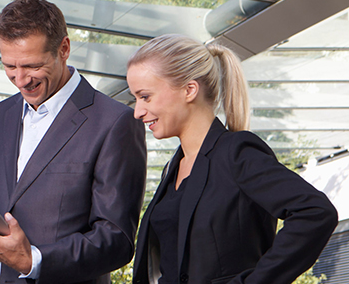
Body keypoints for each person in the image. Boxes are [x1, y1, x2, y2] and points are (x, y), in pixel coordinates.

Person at [0, 0, 147, 284]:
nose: (21, 79)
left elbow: (116, 239)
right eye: (10, 66)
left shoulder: (113, 122)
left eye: (32, 66)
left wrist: (32, 260)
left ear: (64, 49)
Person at [127, 34, 338, 284]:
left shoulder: (236, 152)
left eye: (145, 97)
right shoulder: (173, 168)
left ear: (189, 90)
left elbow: (315, 212)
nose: (138, 112)